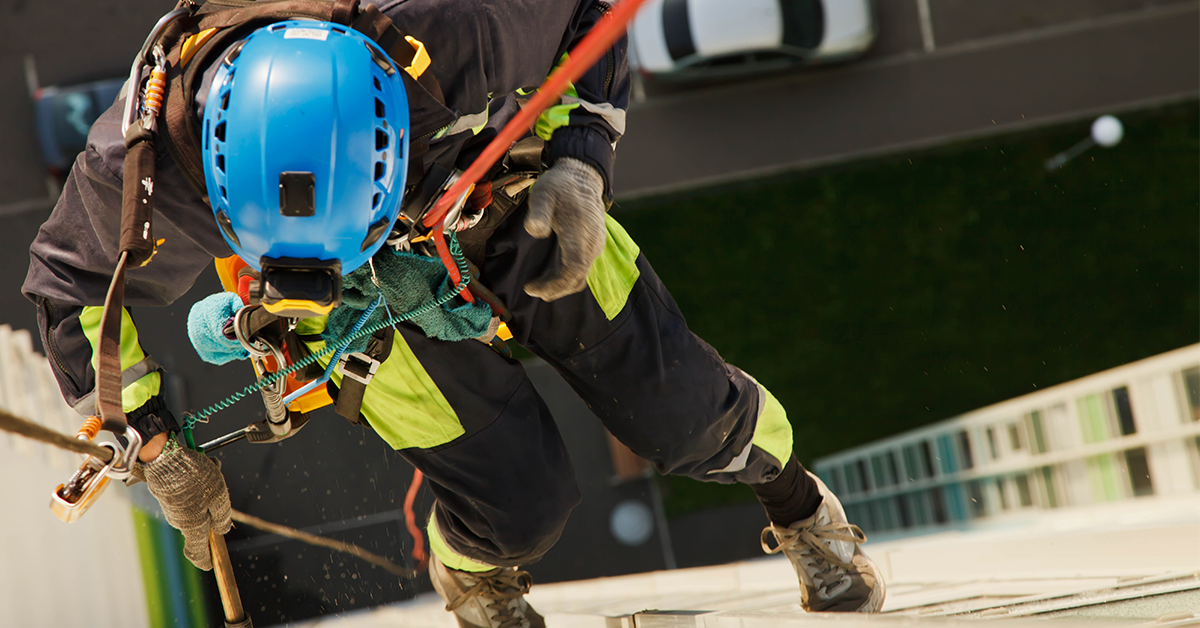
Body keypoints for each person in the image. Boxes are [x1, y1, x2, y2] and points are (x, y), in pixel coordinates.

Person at [23, 1, 885, 626]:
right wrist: (146, 430)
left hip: (498, 196)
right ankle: (476, 572)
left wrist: (581, 161)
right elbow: (67, 291)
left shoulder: (460, 23)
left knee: (687, 418)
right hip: (345, 305)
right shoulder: (144, 167)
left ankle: (798, 504)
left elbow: (596, 16)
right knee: (520, 506)